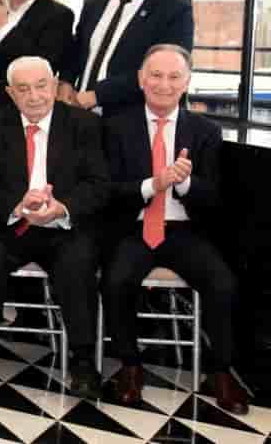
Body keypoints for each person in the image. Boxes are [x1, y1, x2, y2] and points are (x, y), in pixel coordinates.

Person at [101, 44, 248, 415]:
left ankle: (220, 371)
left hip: (184, 229)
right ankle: (130, 366)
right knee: (116, 280)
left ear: (186, 82)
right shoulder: (115, 127)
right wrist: (154, 184)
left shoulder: (205, 131)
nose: (163, 85)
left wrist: (183, 183)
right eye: (155, 75)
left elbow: (213, 197)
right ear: (141, 79)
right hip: (133, 227)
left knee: (222, 283)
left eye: (173, 77)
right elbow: (107, 193)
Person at [0, 56, 110, 402]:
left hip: (63, 226)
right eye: (23, 89)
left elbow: (98, 184)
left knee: (78, 262)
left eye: (41, 86)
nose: (34, 96)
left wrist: (63, 207)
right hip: (13, 225)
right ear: (10, 93)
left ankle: (83, 361)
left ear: (55, 85)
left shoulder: (84, 124)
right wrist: (17, 206)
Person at [59, 0, 194, 118]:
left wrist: (97, 96)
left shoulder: (175, 11)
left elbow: (163, 71)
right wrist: (65, 82)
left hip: (132, 122)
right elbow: (77, 51)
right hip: (80, 117)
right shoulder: (95, 3)